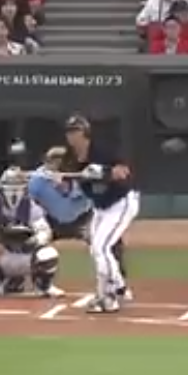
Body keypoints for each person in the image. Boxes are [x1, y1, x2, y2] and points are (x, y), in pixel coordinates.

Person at [62, 114, 138, 312]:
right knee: (96, 249)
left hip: (121, 202)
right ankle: (110, 293)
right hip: (100, 206)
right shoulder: (71, 159)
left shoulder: (102, 150)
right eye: (70, 132)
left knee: (101, 248)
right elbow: (69, 181)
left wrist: (102, 172)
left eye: (76, 131)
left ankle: (114, 292)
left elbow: (123, 172)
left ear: (85, 133)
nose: (73, 136)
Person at [0, 167, 64, 298]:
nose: (13, 190)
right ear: (2, 186)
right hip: (0, 256)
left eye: (17, 186)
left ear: (24, 188)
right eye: (9, 185)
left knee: (49, 254)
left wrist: (35, 240)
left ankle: (43, 287)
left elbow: (44, 231)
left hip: (27, 257)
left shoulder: (31, 207)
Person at [28, 146, 93, 244]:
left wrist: (67, 188)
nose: (52, 165)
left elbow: (87, 197)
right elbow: (30, 202)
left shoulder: (77, 174)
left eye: (57, 162)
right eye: (49, 161)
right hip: (52, 223)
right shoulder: (37, 180)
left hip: (81, 221)